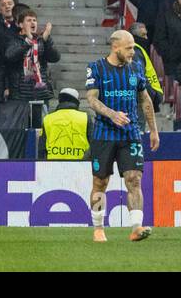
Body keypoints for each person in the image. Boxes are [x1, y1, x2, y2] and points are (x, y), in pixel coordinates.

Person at [85, 30, 158, 243]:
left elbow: (145, 99)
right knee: (100, 182)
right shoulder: (96, 68)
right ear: (115, 47)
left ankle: (136, 227)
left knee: (134, 179)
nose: (133, 52)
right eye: (129, 47)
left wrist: (153, 129)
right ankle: (98, 228)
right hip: (103, 133)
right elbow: (91, 99)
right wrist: (112, 114)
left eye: (133, 47)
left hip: (131, 133)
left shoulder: (136, 68)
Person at [42, 87, 90, 160]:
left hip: (52, 165)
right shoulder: (85, 117)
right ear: (76, 102)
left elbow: (41, 148)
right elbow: (94, 144)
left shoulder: (48, 119)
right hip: (81, 165)